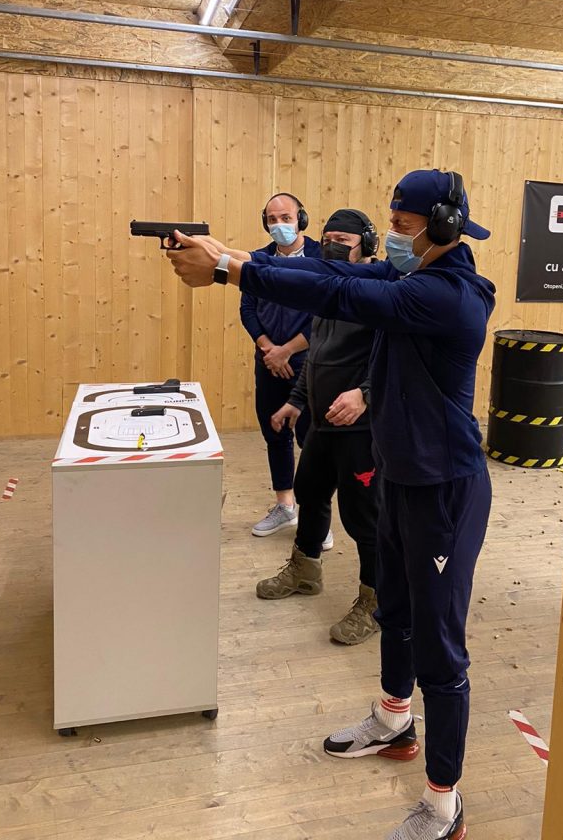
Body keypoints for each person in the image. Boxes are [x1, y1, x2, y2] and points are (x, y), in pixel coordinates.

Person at [167, 169, 495, 840]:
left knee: (440, 651)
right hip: (401, 475)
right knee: (394, 610)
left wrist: (230, 272)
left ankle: (443, 803)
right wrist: (236, 255)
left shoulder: (447, 295)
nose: (393, 237)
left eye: (402, 227)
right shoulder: (413, 275)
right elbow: (337, 274)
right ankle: (394, 721)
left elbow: (337, 290)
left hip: (443, 489)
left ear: (441, 227)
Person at [260, 208, 381, 646]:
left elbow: (394, 358)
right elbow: (317, 354)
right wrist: (296, 401)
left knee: (365, 517)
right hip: (323, 423)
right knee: (309, 492)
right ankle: (305, 571)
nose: (331, 246)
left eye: (342, 241)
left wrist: (364, 394)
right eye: (327, 239)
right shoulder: (330, 291)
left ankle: (376, 602)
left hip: (361, 430)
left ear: (367, 246)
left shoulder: (379, 292)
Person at [239, 192, 323, 540]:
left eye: (285, 218)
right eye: (272, 219)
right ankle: (284, 506)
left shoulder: (321, 257)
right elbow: (248, 310)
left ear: (301, 219)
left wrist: (287, 350)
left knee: (311, 439)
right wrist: (269, 349)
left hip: (309, 364)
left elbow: (325, 314)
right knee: (275, 433)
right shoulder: (258, 260)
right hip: (268, 362)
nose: (279, 225)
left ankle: (316, 515)